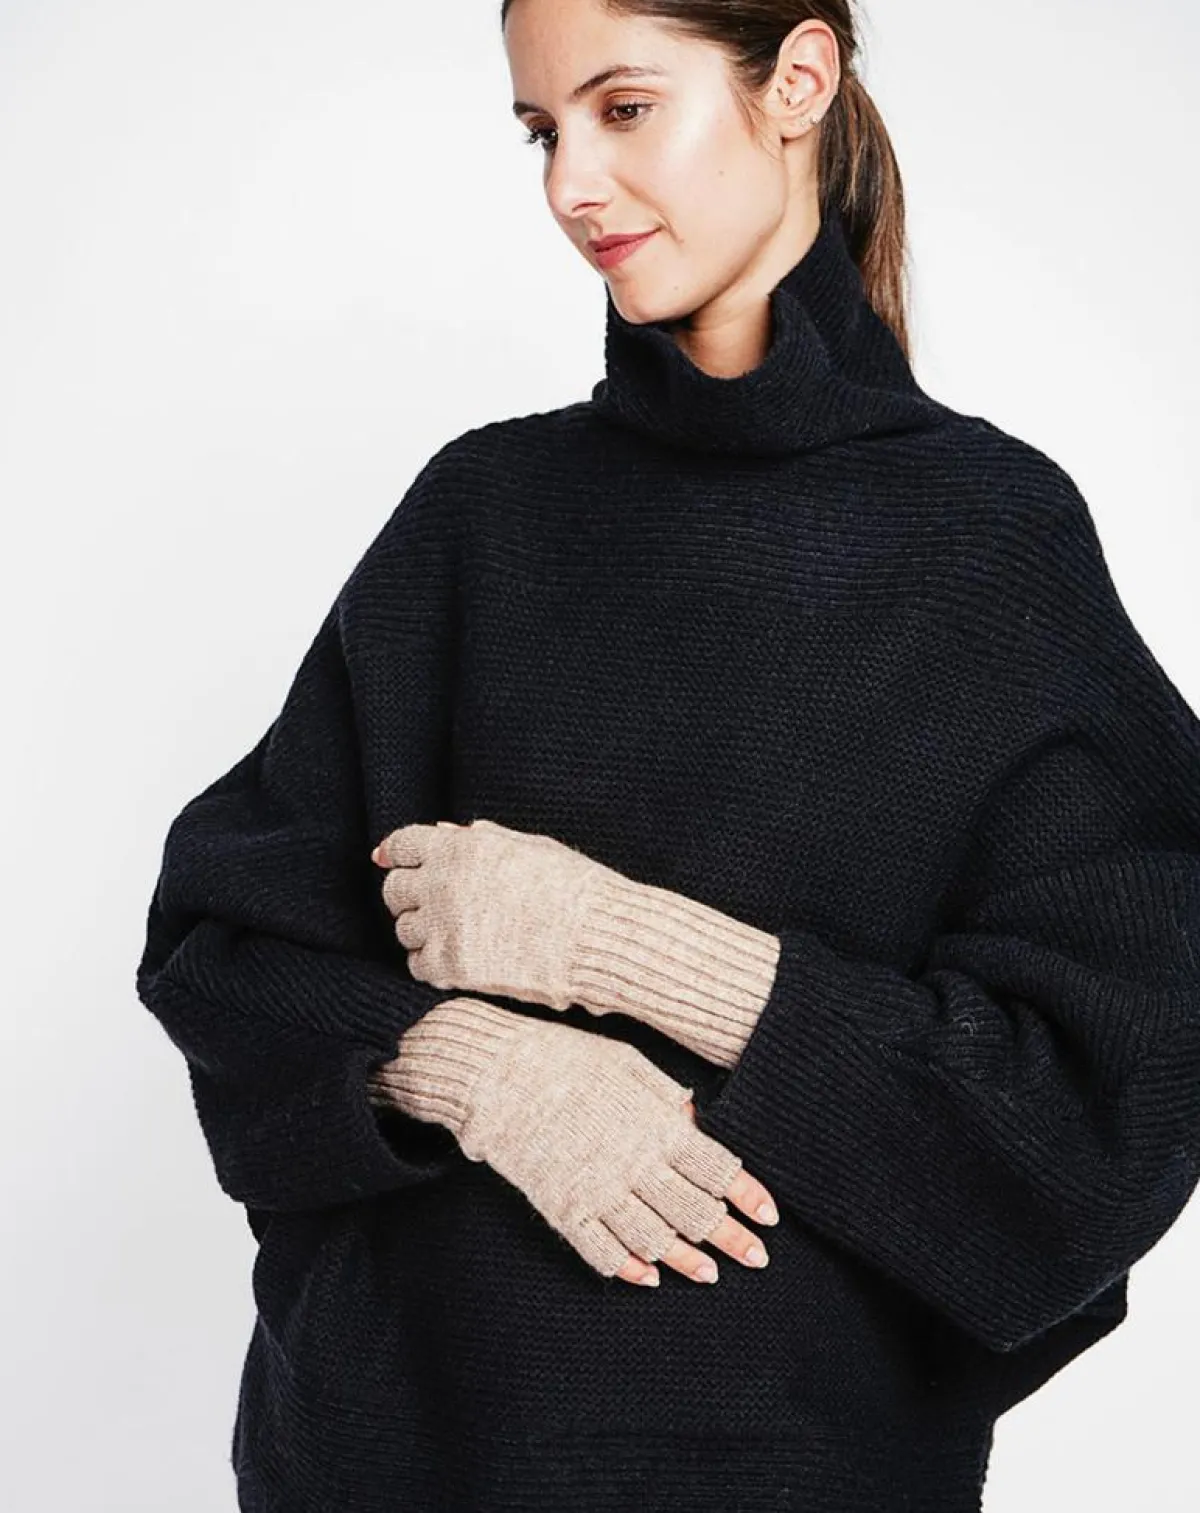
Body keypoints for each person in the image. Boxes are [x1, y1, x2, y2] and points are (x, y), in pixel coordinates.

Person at [134, 1, 1200, 1509]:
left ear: (799, 80)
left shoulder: (987, 543)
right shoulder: (481, 513)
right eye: (541, 131)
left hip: (787, 1465)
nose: (573, 184)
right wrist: (479, 1068)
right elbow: (225, 945)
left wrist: (627, 949)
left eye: (623, 108)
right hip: (388, 1452)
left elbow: (1103, 1105)